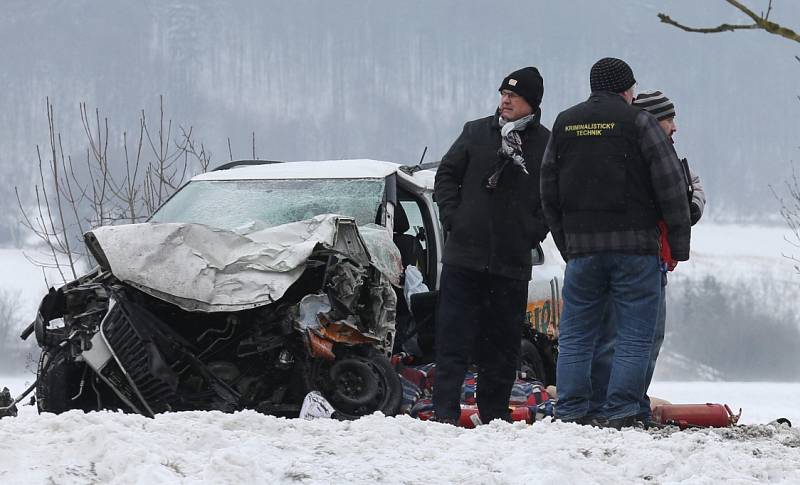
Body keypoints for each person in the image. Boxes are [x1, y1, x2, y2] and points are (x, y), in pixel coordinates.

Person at [540, 58, 691, 429]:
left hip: (583, 253)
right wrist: (679, 243)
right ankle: (622, 410)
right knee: (635, 336)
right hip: (635, 250)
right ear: (625, 89)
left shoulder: (565, 122)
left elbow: (547, 188)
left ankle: (572, 409)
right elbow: (670, 184)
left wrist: (567, 244)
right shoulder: (638, 122)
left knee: (576, 335)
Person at [432, 67, 550, 424]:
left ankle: (495, 417)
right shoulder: (476, 132)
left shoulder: (545, 143)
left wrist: (532, 230)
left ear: (531, 103)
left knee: (501, 346)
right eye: (503, 94)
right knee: (453, 341)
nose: (505, 101)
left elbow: (552, 195)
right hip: (464, 258)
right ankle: (444, 415)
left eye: (513, 96)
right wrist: (454, 218)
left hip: (510, 262)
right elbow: (446, 176)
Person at [588, 90, 707, 426]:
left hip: (657, 262)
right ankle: (610, 406)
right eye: (669, 119)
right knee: (619, 339)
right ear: (654, 121)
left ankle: (632, 403)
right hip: (635, 261)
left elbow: (692, 188)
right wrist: (684, 207)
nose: (675, 127)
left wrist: (691, 204)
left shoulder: (669, 157)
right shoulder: (636, 156)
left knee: (648, 339)